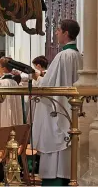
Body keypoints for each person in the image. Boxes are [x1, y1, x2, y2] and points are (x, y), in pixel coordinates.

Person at [33, 19, 82, 186]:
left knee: (56, 144)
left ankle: (55, 180)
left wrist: (37, 79)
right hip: (72, 110)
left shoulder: (63, 56)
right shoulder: (79, 56)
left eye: (58, 30)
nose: (56, 33)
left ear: (66, 33)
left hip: (59, 111)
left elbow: (47, 85)